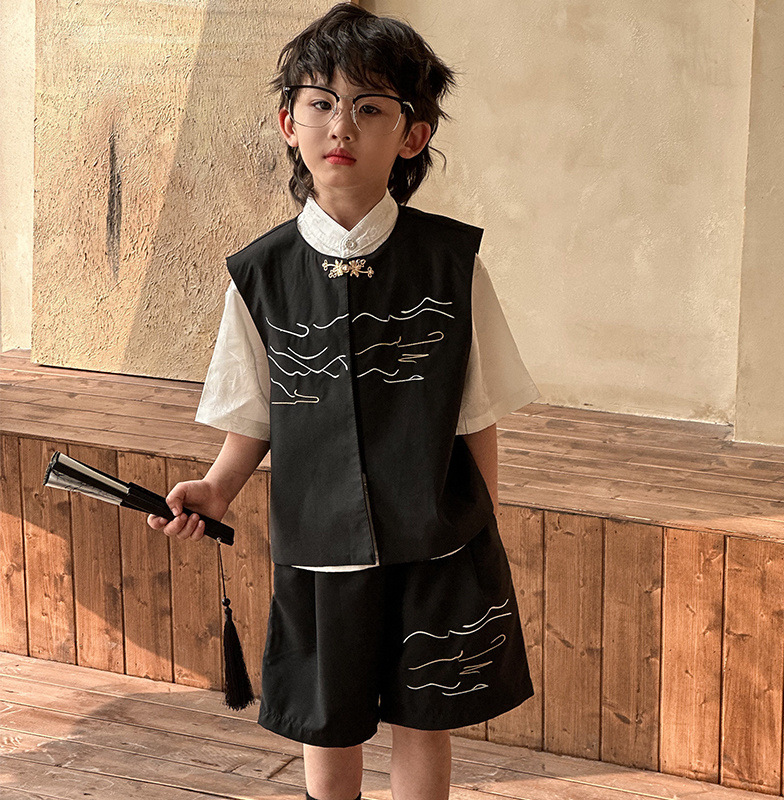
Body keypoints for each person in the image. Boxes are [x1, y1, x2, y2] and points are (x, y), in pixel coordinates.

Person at [147, 4, 541, 799]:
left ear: (412, 135)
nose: (342, 125)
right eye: (321, 103)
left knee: (424, 715)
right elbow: (254, 412)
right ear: (288, 124)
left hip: (436, 542)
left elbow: (477, 414)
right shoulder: (260, 275)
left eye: (370, 107)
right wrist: (216, 487)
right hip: (318, 542)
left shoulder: (452, 264)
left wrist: (481, 531)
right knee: (327, 722)